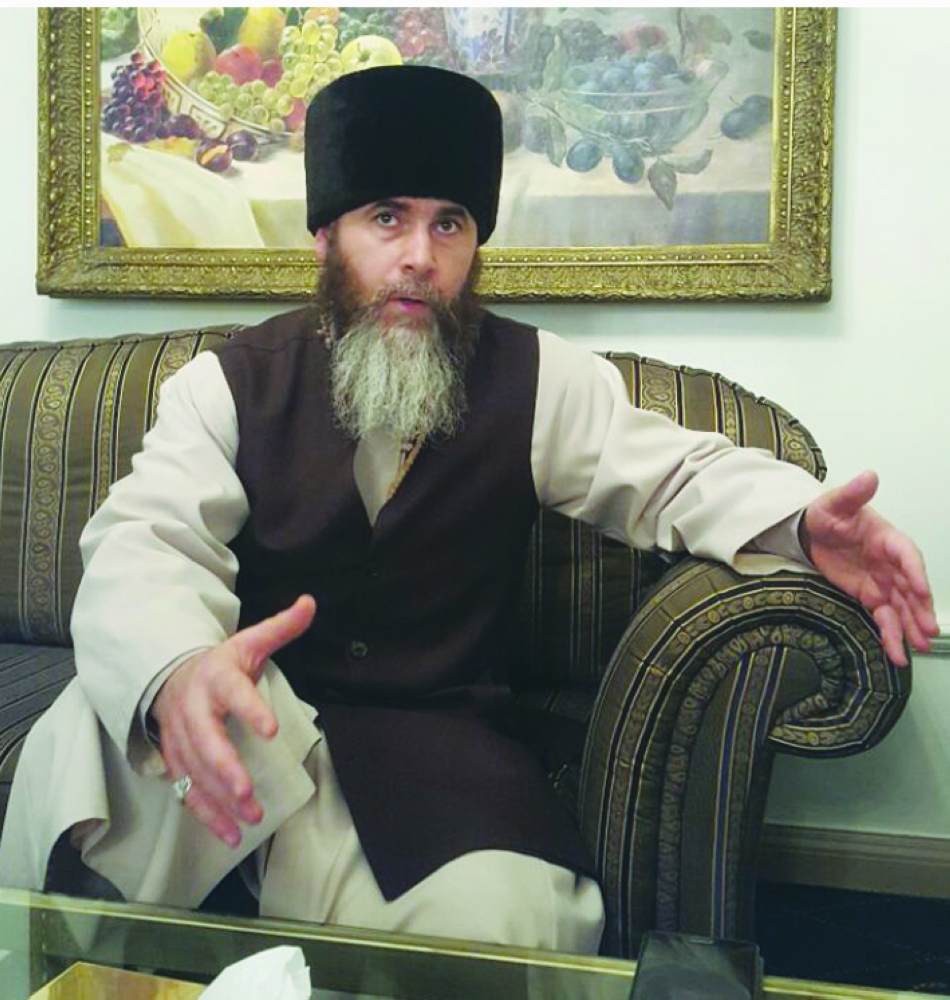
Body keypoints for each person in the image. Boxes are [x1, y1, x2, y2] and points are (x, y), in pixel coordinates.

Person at [0, 66, 936, 955]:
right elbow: (147, 538)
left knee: (504, 925)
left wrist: (804, 523)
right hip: (253, 724)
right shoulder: (228, 385)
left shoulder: (537, 378)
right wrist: (176, 673)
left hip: (436, 752)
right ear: (325, 237)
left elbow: (678, 475)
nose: (419, 256)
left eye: (448, 223)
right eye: (386, 218)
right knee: (92, 735)